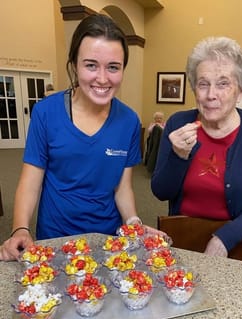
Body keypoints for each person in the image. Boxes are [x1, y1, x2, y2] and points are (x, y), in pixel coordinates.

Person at [0, 14, 148, 261]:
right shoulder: (46, 112)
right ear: (74, 65)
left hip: (107, 241)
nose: (102, 78)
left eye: (113, 67)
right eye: (91, 65)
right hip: (55, 238)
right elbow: (30, 182)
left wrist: (133, 222)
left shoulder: (130, 121)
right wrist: (20, 228)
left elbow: (123, 188)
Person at [151, 36, 242, 257]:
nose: (211, 95)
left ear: (240, 91)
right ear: (194, 88)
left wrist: (224, 238)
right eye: (203, 84)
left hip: (239, 241)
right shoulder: (177, 123)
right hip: (183, 237)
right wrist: (178, 156)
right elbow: (160, 191)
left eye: (223, 84)